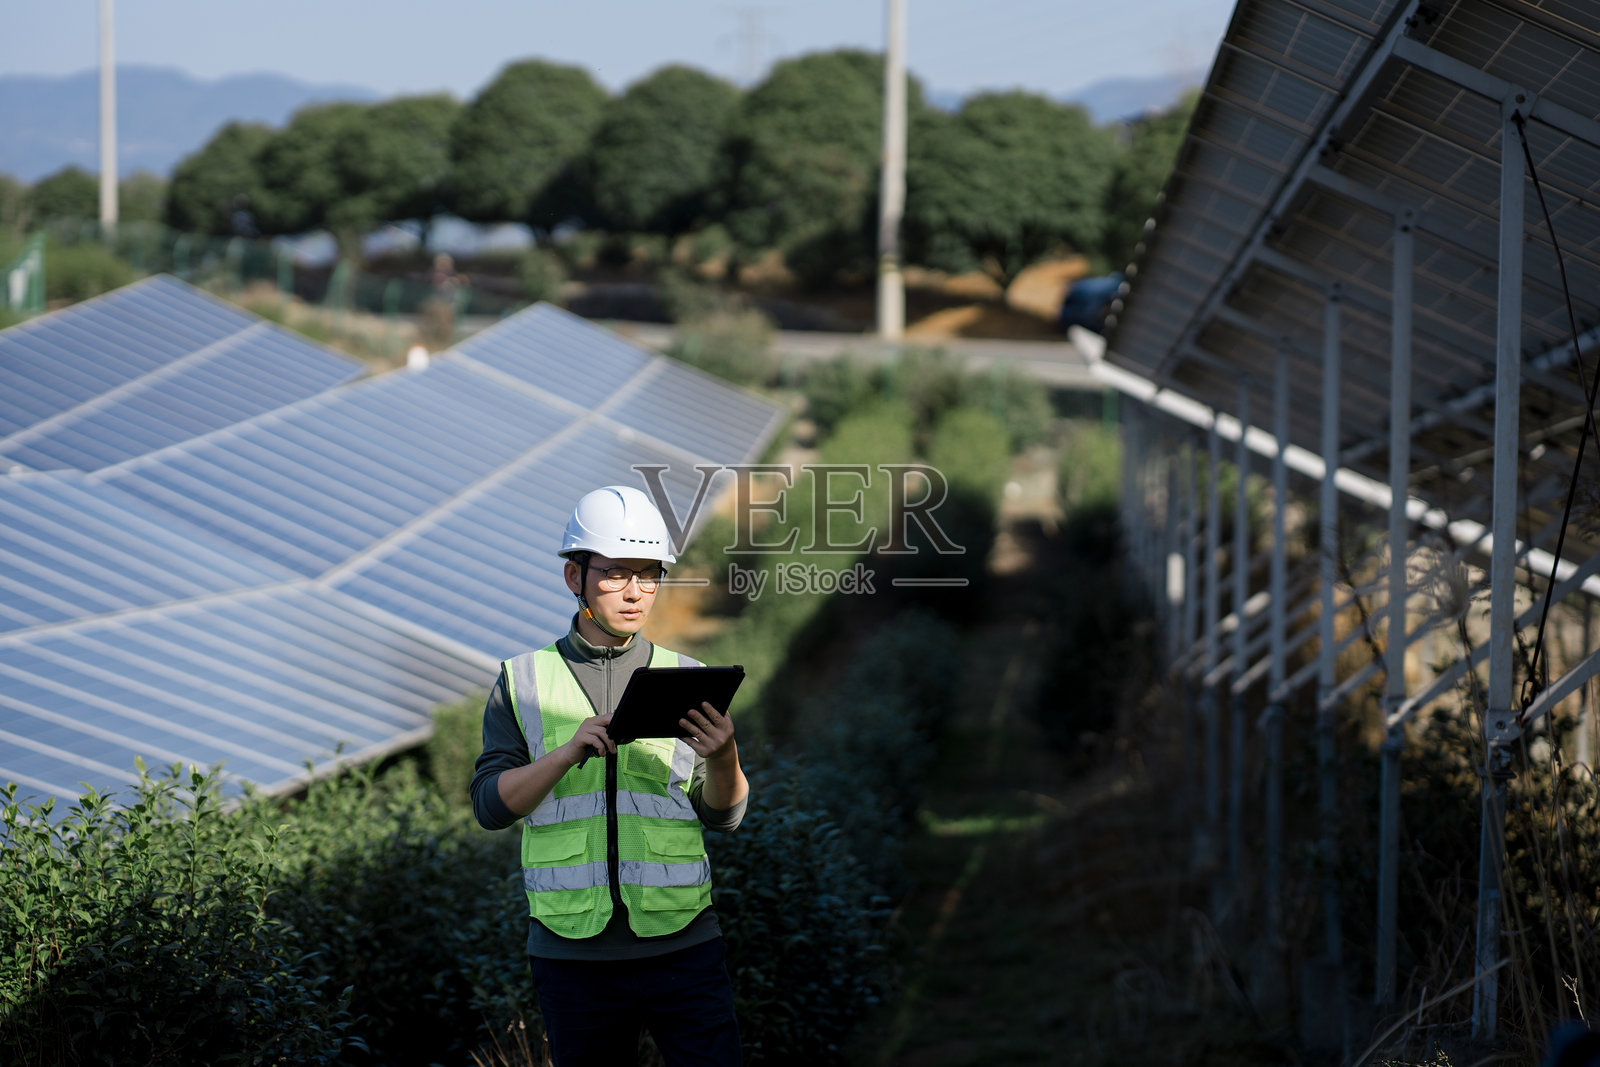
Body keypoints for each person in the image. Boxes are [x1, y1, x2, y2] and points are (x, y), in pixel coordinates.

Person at [470, 484, 748, 1066]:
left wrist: (725, 759)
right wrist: (566, 753)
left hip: (684, 945)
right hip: (574, 958)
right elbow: (491, 807)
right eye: (617, 573)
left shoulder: (688, 674)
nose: (635, 592)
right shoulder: (521, 681)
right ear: (575, 577)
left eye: (649, 575)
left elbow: (724, 815)